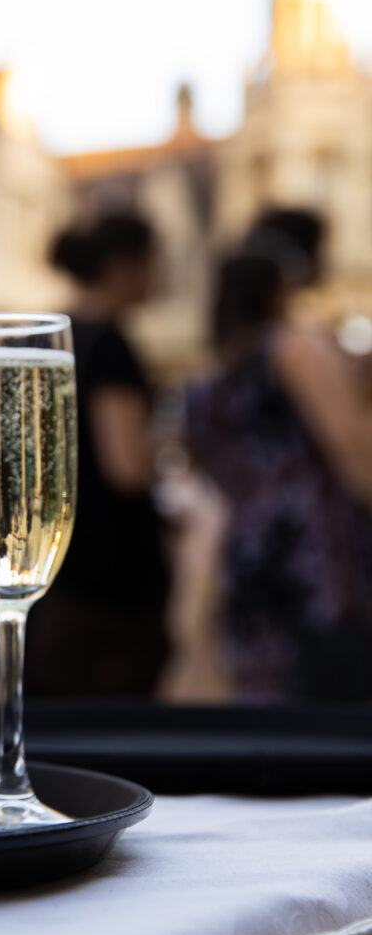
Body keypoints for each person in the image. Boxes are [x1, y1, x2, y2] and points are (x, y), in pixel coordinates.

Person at [184, 218, 372, 701]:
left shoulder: (211, 376)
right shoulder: (295, 344)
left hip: (250, 567)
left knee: (270, 737)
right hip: (319, 571)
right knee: (335, 740)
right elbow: (356, 454)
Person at [24, 210, 171, 696]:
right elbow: (127, 465)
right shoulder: (109, 346)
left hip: (51, 566)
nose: (159, 277)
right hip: (108, 582)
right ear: (120, 266)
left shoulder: (42, 339)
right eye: (152, 263)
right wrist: (170, 437)